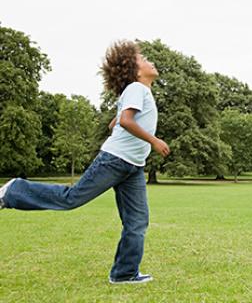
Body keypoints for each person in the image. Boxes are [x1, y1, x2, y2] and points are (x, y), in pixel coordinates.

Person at [0, 40, 170, 284]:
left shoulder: (139, 92)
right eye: (143, 59)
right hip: (115, 161)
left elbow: (117, 121)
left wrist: (119, 122)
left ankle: (124, 274)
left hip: (132, 166)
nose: (149, 61)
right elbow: (125, 120)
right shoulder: (136, 88)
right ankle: (14, 190)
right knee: (71, 198)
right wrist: (154, 140)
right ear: (134, 70)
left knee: (136, 222)